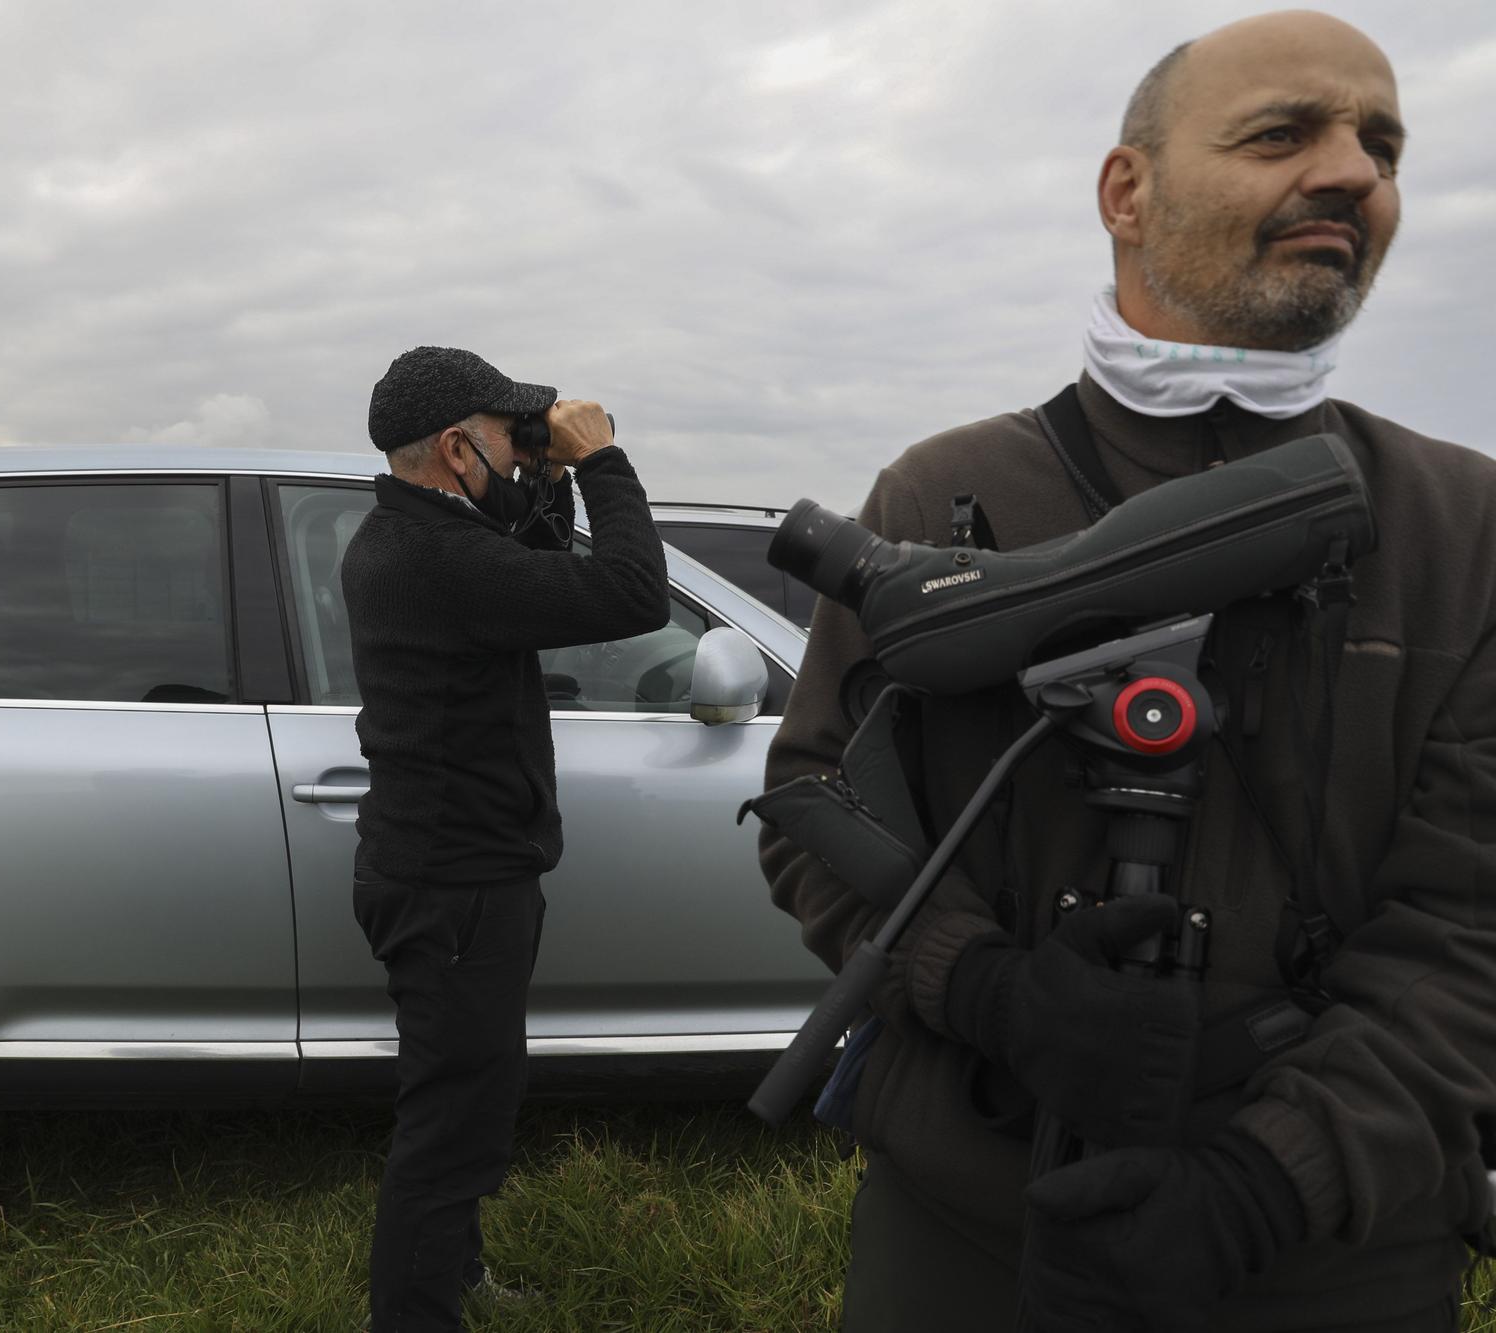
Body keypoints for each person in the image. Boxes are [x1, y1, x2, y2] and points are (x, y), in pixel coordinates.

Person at [761, 13, 1496, 1332]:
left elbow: (1474, 926)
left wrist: (1270, 1180)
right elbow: (817, 814)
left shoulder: (1465, 525)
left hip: (1334, 1255)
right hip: (972, 1225)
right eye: (1284, 133)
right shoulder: (945, 494)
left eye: (1380, 145)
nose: (1351, 172)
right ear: (1127, 189)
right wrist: (977, 984)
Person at [345, 346, 669, 1332]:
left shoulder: (407, 534)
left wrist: (541, 475)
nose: (516, 443)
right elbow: (629, 593)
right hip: (457, 889)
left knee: (469, 1100)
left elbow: (533, 566)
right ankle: (415, 1313)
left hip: (444, 873)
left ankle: (454, 1274)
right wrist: (603, 462)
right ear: (454, 447)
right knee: (450, 1127)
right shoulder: (439, 560)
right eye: (503, 432)